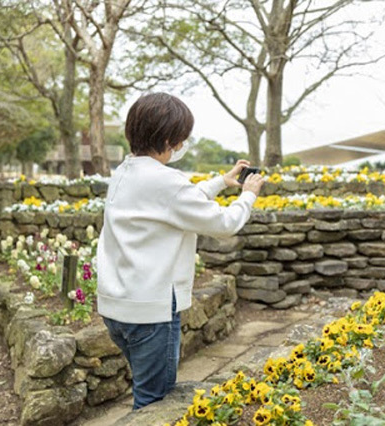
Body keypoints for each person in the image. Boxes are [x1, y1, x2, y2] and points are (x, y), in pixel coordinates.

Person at [96, 92, 264, 410]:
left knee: (145, 392)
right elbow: (224, 222)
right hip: (151, 312)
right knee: (152, 404)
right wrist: (248, 195)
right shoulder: (167, 182)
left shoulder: (125, 172)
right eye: (181, 138)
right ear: (170, 138)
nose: (182, 144)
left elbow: (171, 204)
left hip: (117, 306)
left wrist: (220, 182)